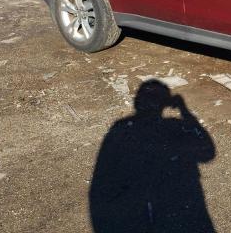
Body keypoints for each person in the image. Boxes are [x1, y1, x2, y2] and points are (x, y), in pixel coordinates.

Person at [89, 80, 216, 232]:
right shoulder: (169, 127)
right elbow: (208, 151)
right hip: (155, 209)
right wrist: (184, 109)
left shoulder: (122, 128)